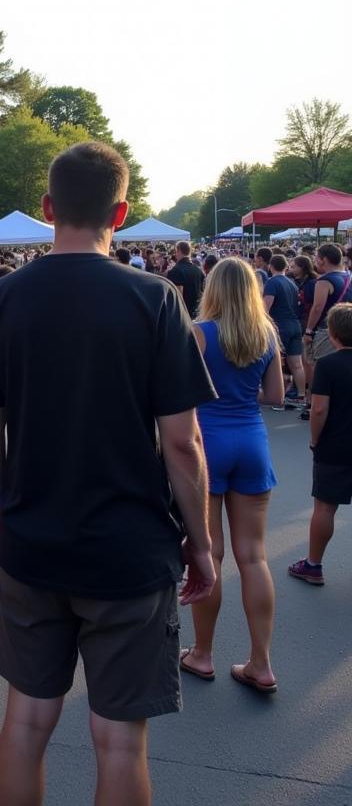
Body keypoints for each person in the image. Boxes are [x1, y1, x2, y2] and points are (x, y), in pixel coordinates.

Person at [0, 142, 215, 806]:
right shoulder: (157, 301)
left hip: (32, 542)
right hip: (130, 551)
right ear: (122, 210)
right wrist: (200, 541)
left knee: (25, 721)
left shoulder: (2, 299)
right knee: (119, 742)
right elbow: (182, 445)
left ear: (49, 208)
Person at [180, 258, 284, 695]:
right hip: (252, 441)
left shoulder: (201, 334)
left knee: (211, 554)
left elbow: (179, 394)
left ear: (213, 289)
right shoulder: (266, 335)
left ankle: (202, 653)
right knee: (254, 556)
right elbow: (276, 396)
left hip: (209, 444)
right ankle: (261, 662)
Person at [289, 303, 352, 586]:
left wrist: (315, 438)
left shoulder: (328, 365)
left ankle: (313, 565)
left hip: (336, 445)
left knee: (325, 507)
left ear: (335, 334)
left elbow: (318, 409)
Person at [301, 243, 352, 420]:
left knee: (320, 367)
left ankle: (316, 403)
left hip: (327, 330)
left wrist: (308, 331)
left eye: (316, 257)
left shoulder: (324, 281)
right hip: (347, 327)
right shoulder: (348, 276)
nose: (315, 261)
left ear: (324, 260)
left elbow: (317, 308)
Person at [262, 254, 306, 407]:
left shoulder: (272, 283)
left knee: (278, 362)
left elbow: (266, 306)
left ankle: (279, 395)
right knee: (297, 363)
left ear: (271, 266)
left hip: (280, 325)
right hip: (295, 324)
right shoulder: (291, 283)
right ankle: (301, 396)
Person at [166, 240, 204, 317]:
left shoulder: (176, 271)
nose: (175, 254)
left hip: (184, 315)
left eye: (176, 251)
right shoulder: (198, 270)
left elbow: (177, 298)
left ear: (179, 251)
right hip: (198, 313)